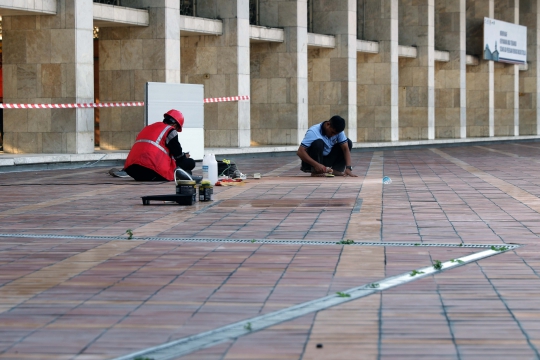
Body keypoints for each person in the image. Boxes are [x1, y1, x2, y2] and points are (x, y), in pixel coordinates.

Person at [123, 109, 197, 181]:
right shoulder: (170, 130)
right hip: (151, 170)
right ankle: (179, 174)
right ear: (175, 125)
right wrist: (184, 156)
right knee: (190, 162)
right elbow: (179, 156)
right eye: (177, 128)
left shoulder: (148, 127)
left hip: (131, 170)